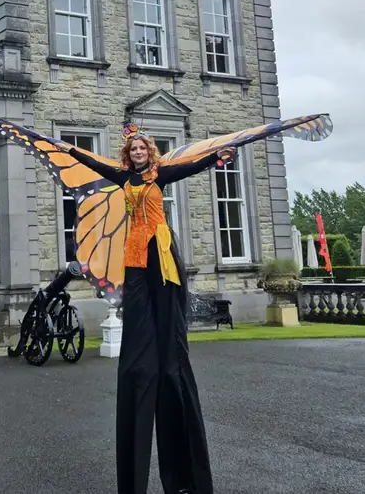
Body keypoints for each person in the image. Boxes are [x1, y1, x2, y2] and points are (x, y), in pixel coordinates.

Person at [51, 125, 233, 494]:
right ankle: (141, 346)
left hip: (160, 250)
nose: (137, 153)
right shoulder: (123, 179)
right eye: (132, 149)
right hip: (134, 253)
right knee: (137, 304)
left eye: (141, 148)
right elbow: (95, 165)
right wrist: (70, 151)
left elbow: (190, 167)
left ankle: (166, 341)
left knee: (165, 306)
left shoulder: (160, 174)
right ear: (128, 154)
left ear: (149, 152)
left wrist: (218, 158)